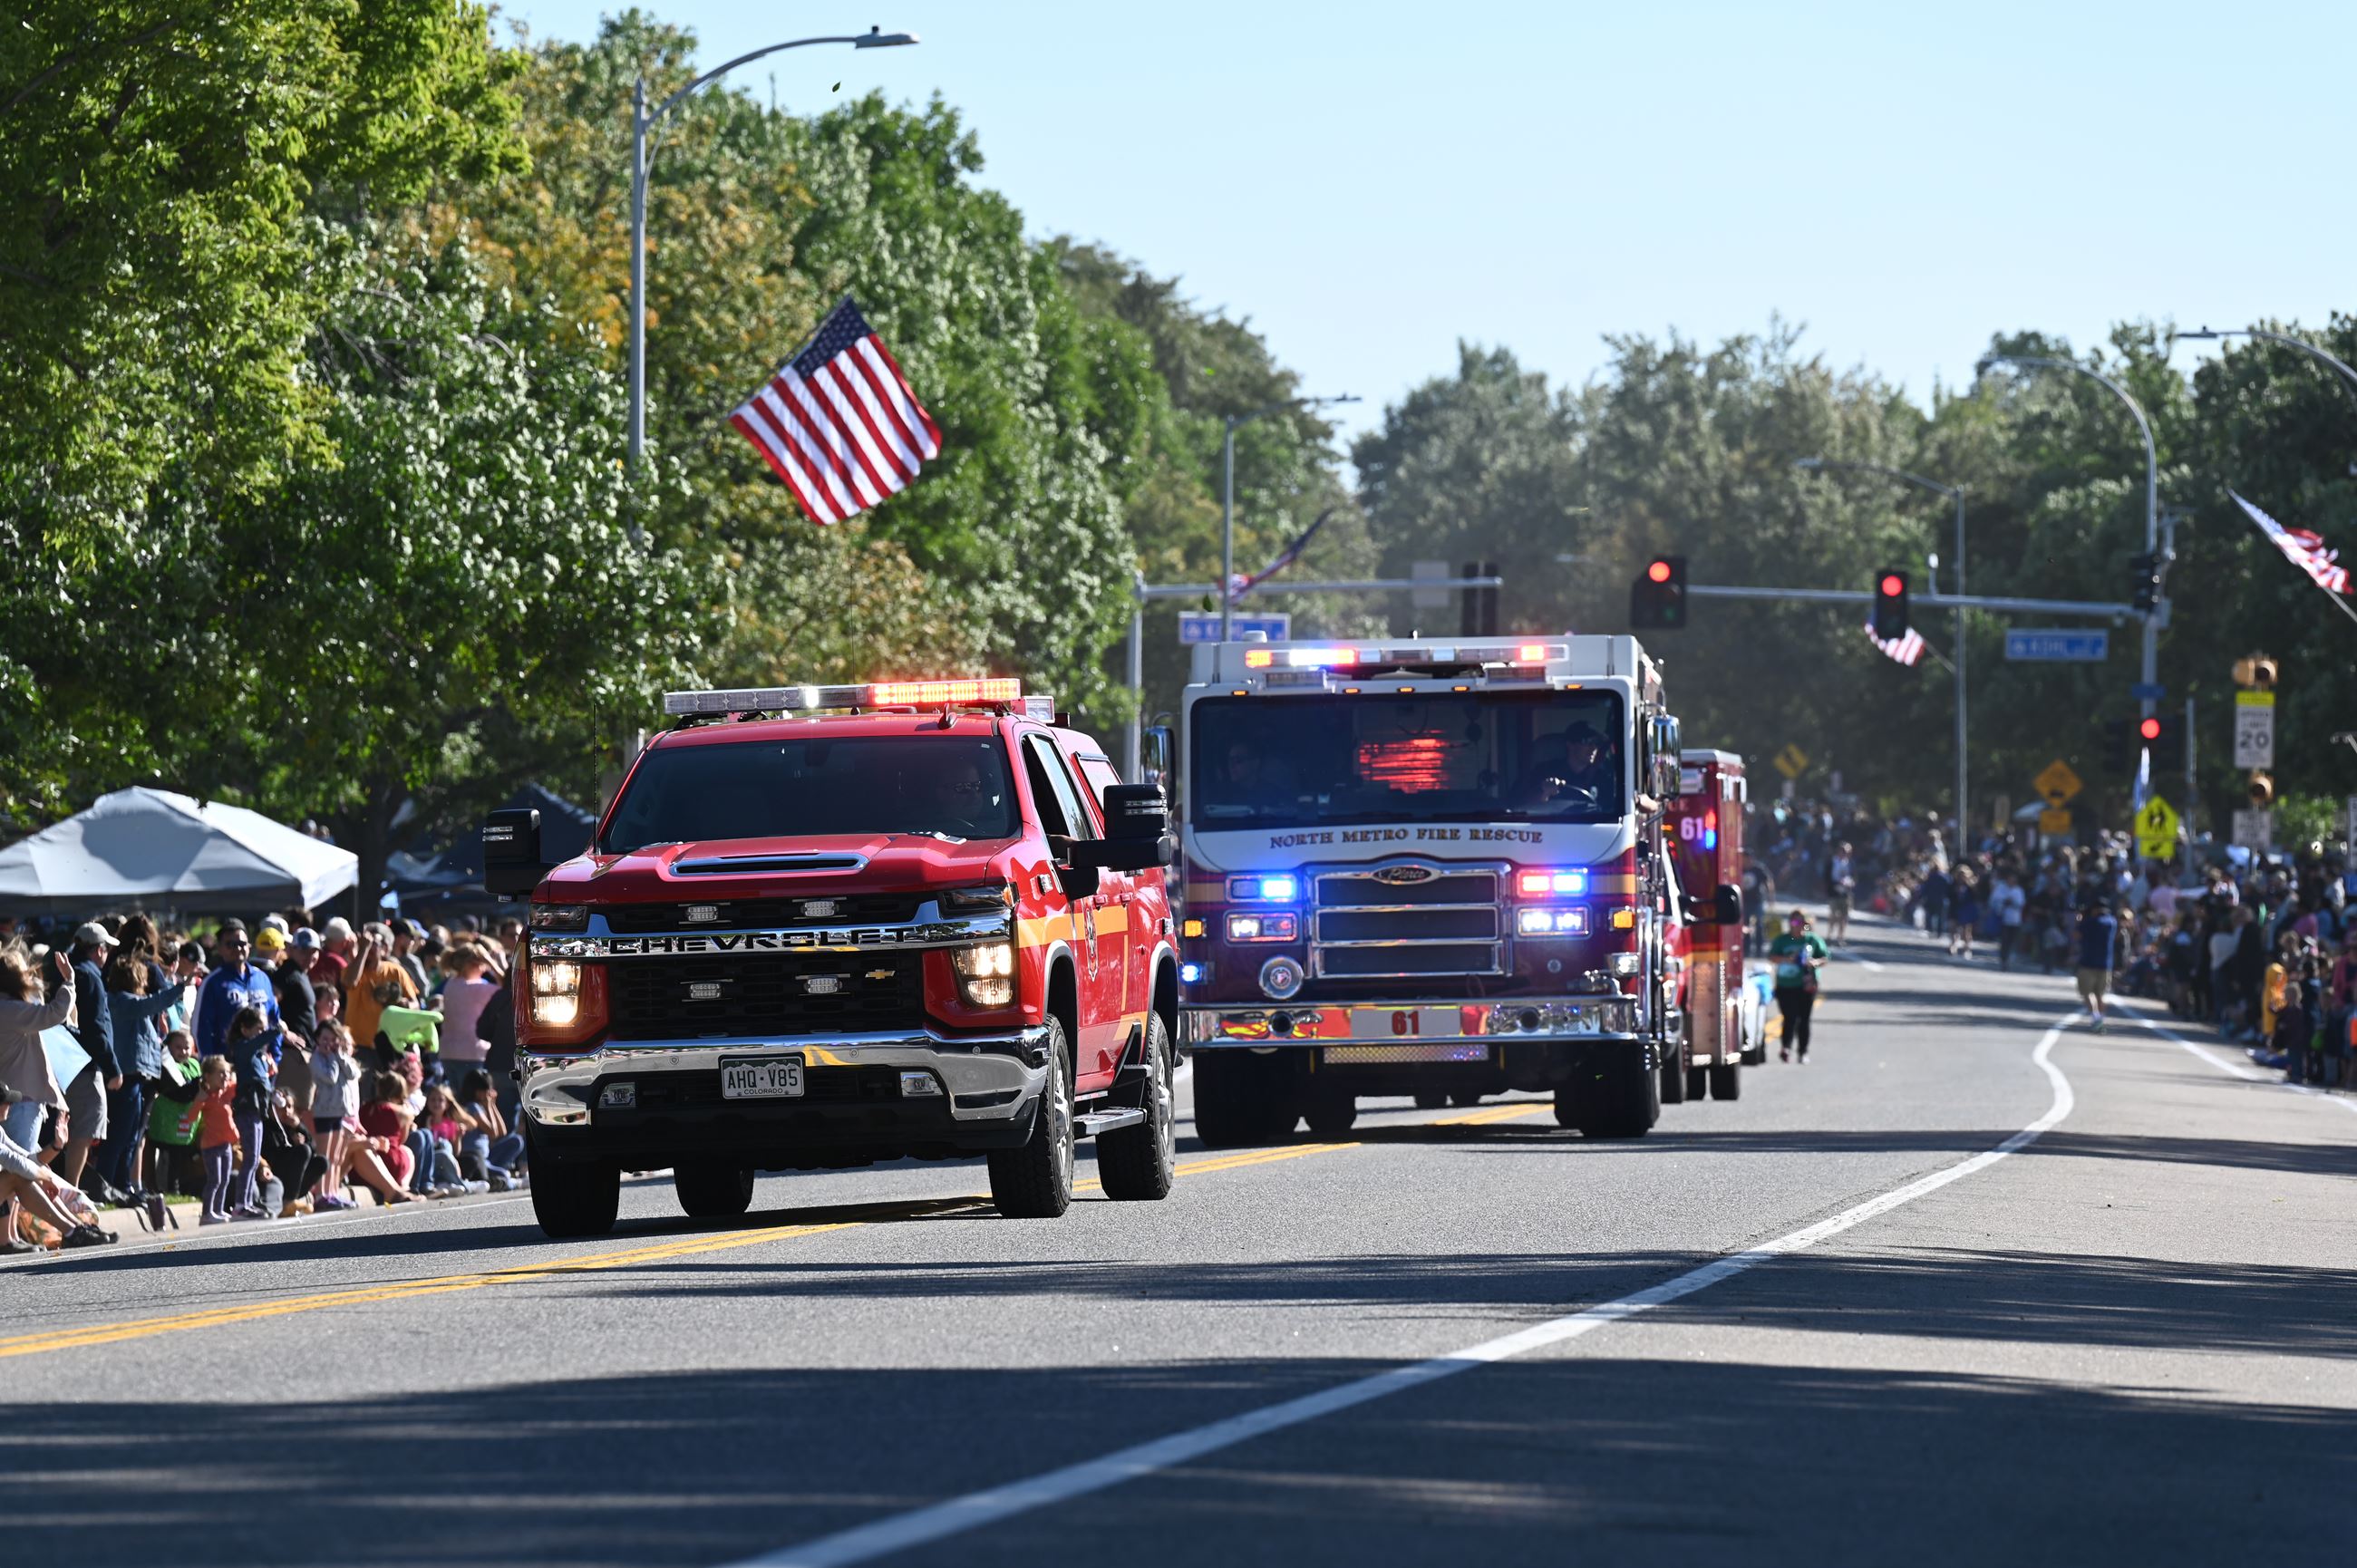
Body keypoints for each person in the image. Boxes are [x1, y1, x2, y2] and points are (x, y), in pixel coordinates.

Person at [58, 922, 126, 1198]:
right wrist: (113, 1068)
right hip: (85, 1066)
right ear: (99, 950)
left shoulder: (68, 973)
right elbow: (97, 1029)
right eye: (107, 948)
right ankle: (69, 1193)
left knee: (66, 1130)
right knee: (84, 1132)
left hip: (64, 1063)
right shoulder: (90, 976)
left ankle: (63, 1190)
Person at [223, 1004, 284, 1219]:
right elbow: (257, 1043)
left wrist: (274, 1095)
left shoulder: (257, 1056)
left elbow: (262, 1082)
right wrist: (278, 1030)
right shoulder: (242, 1048)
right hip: (246, 1108)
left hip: (257, 1108)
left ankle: (247, 1202)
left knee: (255, 1157)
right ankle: (241, 1204)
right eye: (258, 1030)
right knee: (249, 1157)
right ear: (245, 1029)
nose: (262, 1035)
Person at [343, 924, 420, 1064]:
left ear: (384, 949)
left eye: (373, 943)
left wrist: (407, 1004)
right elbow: (349, 982)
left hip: (388, 1045)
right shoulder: (353, 969)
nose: (368, 945)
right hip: (358, 1046)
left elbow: (416, 1004)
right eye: (366, 941)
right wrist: (363, 950)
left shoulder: (396, 972)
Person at [432, 944, 501, 1087]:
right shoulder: (474, 989)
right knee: (471, 1103)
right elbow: (507, 986)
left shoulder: (450, 984)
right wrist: (492, 962)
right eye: (482, 965)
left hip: (447, 1053)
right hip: (471, 1053)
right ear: (472, 965)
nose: (484, 969)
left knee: (457, 1102)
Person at [1767, 910, 1828, 1063]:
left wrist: (1814, 962)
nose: (1798, 926)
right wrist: (1787, 959)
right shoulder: (1783, 940)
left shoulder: (1813, 940)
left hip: (1806, 986)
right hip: (1785, 985)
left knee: (1804, 1019)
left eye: (1801, 922)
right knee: (1789, 1017)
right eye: (1794, 922)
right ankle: (1786, 1047)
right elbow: (1772, 957)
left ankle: (1803, 1051)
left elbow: (1825, 957)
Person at [191, 1055, 242, 1224]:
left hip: (226, 1144)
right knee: (215, 1180)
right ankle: (207, 1213)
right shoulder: (206, 1097)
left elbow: (243, 1083)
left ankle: (218, 1210)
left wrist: (269, 1068)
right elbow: (191, 1117)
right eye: (221, 1073)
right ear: (208, 1076)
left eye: (227, 1073)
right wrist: (199, 1100)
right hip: (211, 1146)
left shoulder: (227, 1092)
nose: (225, 1077)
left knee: (225, 1179)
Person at [2075, 899, 2119, 1031]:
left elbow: (2076, 935)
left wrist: (2080, 921)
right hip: (2106, 964)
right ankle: (2101, 1018)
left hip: (2088, 962)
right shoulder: (2112, 922)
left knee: (2087, 992)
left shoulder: (2090, 922)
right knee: (2101, 993)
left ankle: (2095, 1017)